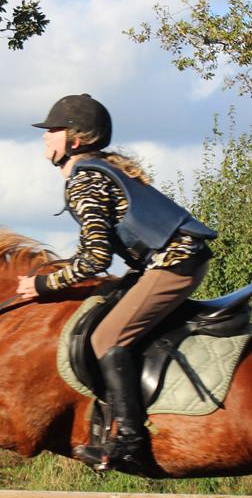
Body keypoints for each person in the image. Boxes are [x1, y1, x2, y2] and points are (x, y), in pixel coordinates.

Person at [17, 93, 216, 470]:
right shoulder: (95, 170)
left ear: (75, 139)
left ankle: (130, 440)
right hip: (168, 260)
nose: (46, 136)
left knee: (106, 339)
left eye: (53, 130)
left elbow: (95, 258)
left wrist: (44, 286)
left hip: (174, 262)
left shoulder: (86, 180)